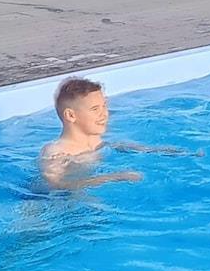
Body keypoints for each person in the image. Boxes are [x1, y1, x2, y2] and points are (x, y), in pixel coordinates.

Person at [39, 77, 192, 190]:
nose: (104, 114)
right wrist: (114, 177)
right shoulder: (56, 152)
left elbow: (115, 146)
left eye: (104, 106)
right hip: (49, 203)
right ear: (71, 115)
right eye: (95, 109)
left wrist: (163, 151)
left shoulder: (96, 142)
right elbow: (57, 187)